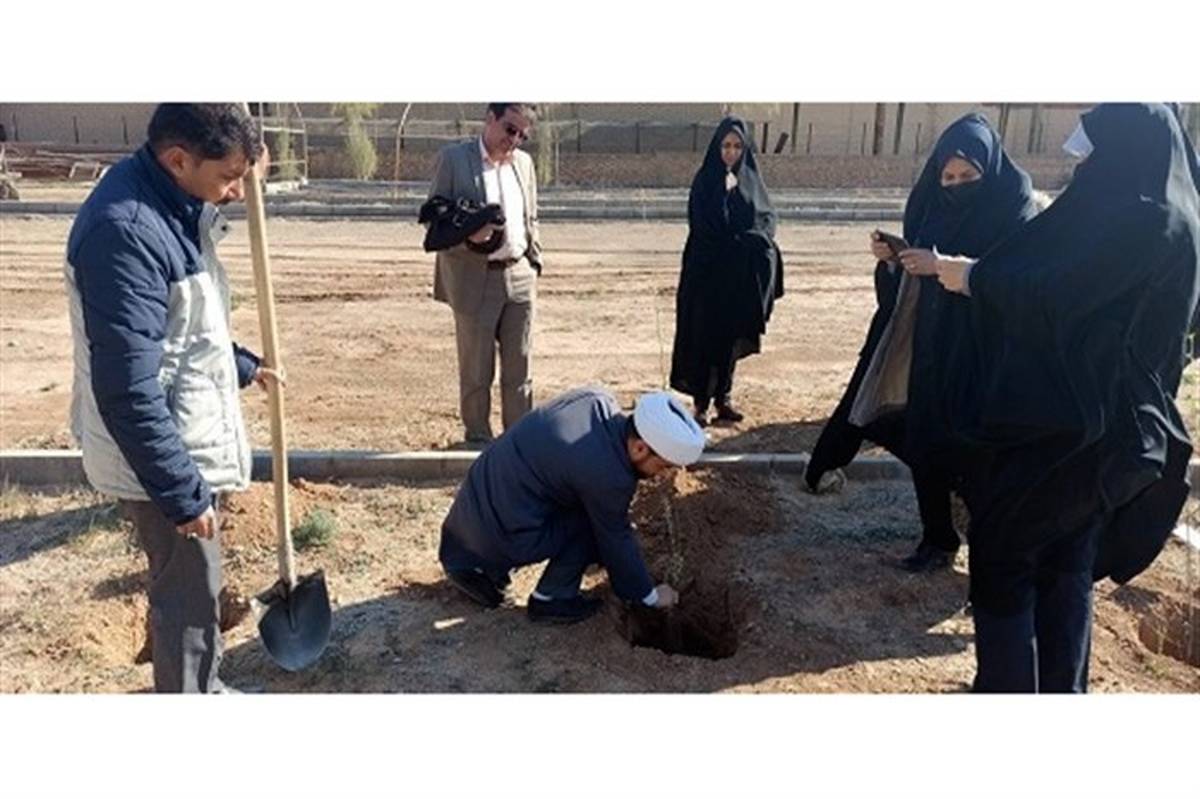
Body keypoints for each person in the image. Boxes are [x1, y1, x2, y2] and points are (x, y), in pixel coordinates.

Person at [934, 103, 1200, 692]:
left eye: (1100, 150)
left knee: (1004, 555)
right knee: (1067, 562)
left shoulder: (1139, 218)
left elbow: (1060, 292)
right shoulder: (1181, 217)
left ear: (1125, 147)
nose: (1088, 166)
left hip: (1069, 431)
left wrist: (973, 277)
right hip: (1122, 434)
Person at [64, 103, 279, 693]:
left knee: (196, 587)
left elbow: (180, 330)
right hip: (158, 458)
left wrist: (240, 364)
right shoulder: (126, 232)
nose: (237, 192)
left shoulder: (174, 204)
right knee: (187, 596)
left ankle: (203, 688)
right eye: (229, 176)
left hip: (178, 441)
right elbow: (129, 389)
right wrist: (183, 495)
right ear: (179, 159)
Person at [805, 113, 1038, 573]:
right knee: (924, 437)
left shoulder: (1014, 211)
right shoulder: (929, 207)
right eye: (948, 177)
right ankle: (937, 540)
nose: (956, 185)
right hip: (931, 347)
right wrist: (895, 262)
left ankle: (994, 547)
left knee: (976, 451)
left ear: (989, 171)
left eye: (968, 176)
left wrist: (948, 267)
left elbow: (1020, 285)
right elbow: (901, 291)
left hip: (985, 356)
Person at [438, 388, 706, 624]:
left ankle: (476, 567)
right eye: (663, 466)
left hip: (469, 515)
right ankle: (552, 598)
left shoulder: (595, 400)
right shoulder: (608, 476)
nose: (662, 475)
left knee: (590, 513)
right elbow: (615, 536)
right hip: (499, 533)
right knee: (594, 527)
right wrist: (649, 596)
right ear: (639, 449)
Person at [426, 103, 543, 447]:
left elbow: (531, 216)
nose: (515, 140)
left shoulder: (524, 164)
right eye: (510, 129)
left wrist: (534, 261)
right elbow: (435, 220)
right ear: (490, 118)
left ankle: (518, 443)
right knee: (477, 371)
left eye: (522, 135)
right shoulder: (454, 160)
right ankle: (478, 441)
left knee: (520, 369)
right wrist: (468, 236)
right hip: (474, 279)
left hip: (520, 275)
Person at [670, 116, 784, 428]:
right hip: (707, 274)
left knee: (729, 339)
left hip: (737, 277)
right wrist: (726, 197)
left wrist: (753, 239)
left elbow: (766, 219)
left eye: (737, 146)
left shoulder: (751, 181)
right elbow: (704, 226)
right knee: (703, 337)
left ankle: (724, 399)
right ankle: (701, 403)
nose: (731, 152)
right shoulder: (705, 181)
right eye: (726, 146)